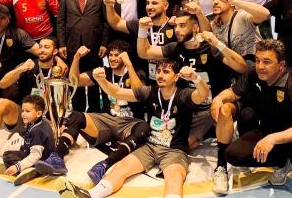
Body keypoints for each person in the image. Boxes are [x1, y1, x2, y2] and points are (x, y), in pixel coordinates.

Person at [55, 59, 210, 198]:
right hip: (149, 147)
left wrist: (195, 78)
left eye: (166, 72)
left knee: (174, 178)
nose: (160, 75)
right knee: (120, 168)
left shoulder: (184, 95)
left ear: (176, 77)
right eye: (158, 71)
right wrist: (100, 79)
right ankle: (90, 196)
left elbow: (203, 95)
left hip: (174, 150)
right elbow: (116, 92)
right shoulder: (149, 91)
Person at [35, 49, 150, 184]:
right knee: (77, 116)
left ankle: (103, 165)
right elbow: (74, 81)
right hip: (108, 120)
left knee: (144, 128)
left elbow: (140, 93)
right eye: (110, 55)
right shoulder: (104, 71)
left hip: (131, 123)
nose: (113, 58)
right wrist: (77, 57)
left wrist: (129, 65)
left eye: (117, 55)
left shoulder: (137, 72)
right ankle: (57, 157)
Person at [137, 10, 248, 150]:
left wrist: (219, 44)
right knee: (172, 144)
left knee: (184, 144)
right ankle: (206, 133)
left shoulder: (211, 48)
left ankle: (216, 130)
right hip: (188, 108)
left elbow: (242, 67)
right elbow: (144, 52)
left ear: (195, 28)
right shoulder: (175, 47)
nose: (177, 30)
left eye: (182, 26)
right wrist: (142, 30)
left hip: (211, 108)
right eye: (176, 26)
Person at [0, 36, 65, 177]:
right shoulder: (29, 65)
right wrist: (20, 69)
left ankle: (28, 154)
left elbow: (65, 100)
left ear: (55, 51)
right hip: (24, 116)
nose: (42, 50)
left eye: (47, 47)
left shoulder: (60, 70)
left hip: (47, 121)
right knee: (1, 103)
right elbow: (3, 83)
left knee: (45, 146)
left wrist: (60, 123)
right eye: (40, 46)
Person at [211, 39, 292, 194]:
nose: (260, 66)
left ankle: (285, 162)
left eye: (267, 62)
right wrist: (218, 99)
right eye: (257, 60)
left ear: (281, 65)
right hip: (266, 128)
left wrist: (272, 139)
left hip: (287, 135)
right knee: (232, 154)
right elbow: (233, 92)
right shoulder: (253, 73)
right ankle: (221, 167)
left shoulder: (290, 83)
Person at [57, 0, 109, 112]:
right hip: (72, 44)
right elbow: (61, 20)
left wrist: (104, 43)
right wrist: (61, 44)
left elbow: (106, 21)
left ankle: (94, 114)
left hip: (94, 44)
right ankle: (78, 114)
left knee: (93, 81)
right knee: (75, 81)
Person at [104, 0, 176, 84]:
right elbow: (116, 23)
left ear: (166, 6)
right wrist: (109, 7)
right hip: (144, 79)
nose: (149, 7)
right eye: (147, 3)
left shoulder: (175, 25)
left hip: (169, 80)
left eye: (154, 3)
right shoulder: (140, 24)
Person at [2, 95, 55, 180]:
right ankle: (31, 168)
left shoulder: (36, 131)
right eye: (23, 111)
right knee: (10, 152)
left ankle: (31, 169)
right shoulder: (39, 123)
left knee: (7, 157)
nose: (23, 114)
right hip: (43, 156)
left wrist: (17, 167)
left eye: (27, 111)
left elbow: (36, 155)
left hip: (41, 160)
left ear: (38, 113)